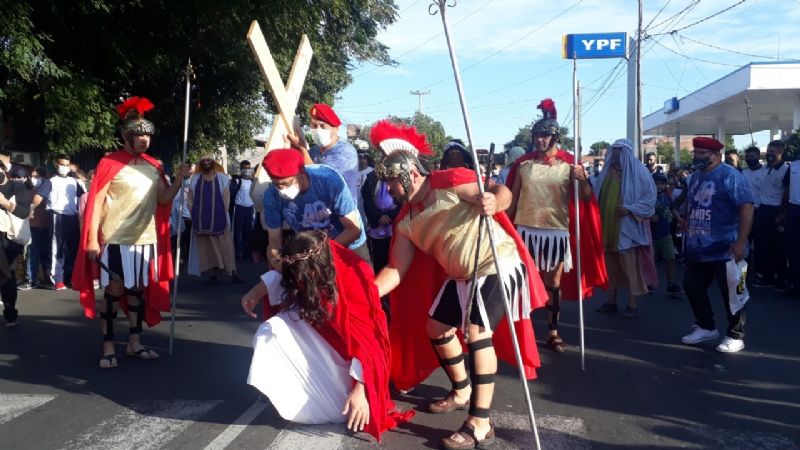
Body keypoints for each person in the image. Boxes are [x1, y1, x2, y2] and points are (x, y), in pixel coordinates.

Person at [371, 121, 547, 449]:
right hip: (461, 275)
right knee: (436, 327)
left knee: (477, 333)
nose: (389, 190)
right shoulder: (406, 221)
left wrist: (495, 201)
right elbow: (395, 270)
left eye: (392, 181)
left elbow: (500, 190)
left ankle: (480, 424)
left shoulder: (448, 182)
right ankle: (462, 389)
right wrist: (366, 293)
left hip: (495, 262)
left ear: (411, 174)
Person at [242, 230, 413, 441]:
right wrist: (255, 292)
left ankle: (336, 395)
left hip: (349, 358)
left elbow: (370, 343)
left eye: (300, 277)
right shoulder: (310, 262)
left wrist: (361, 390)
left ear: (312, 271)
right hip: (323, 336)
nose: (297, 282)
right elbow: (282, 275)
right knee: (270, 332)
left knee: (340, 410)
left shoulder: (352, 281)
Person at [72, 96, 189, 368]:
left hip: (145, 240)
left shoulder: (154, 165)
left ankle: (135, 343)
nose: (144, 139)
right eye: (139, 135)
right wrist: (92, 240)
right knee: (113, 293)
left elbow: (163, 199)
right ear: (126, 136)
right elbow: (96, 203)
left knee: (137, 292)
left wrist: (179, 180)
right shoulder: (109, 163)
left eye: (148, 135)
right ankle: (108, 346)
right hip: (116, 239)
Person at [505, 98, 607, 352]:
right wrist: (501, 224)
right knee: (522, 282)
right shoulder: (524, 164)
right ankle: (523, 330)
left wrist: (583, 180)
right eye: (537, 136)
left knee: (554, 284)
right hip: (525, 230)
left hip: (555, 232)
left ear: (555, 137)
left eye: (545, 136)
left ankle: (553, 332)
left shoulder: (569, 164)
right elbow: (512, 200)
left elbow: (586, 198)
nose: (540, 140)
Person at [679, 137, 754, 353]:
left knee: (732, 294)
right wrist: (686, 220)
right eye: (695, 152)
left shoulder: (730, 176)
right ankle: (706, 326)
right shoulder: (694, 177)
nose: (697, 157)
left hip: (726, 248)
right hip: (698, 248)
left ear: (716, 155)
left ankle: (735, 335)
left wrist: (740, 242)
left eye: (702, 153)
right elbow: (692, 203)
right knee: (692, 286)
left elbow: (747, 207)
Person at [262, 148, 369, 264]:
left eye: (286, 183)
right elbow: (274, 242)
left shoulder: (328, 180)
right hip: (311, 250)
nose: (282, 190)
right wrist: (280, 267)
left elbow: (353, 230)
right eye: (276, 185)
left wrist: (320, 255)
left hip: (348, 243)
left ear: (302, 172)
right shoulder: (272, 196)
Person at [594, 139, 657, 318]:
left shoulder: (639, 172)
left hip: (627, 229)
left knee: (630, 268)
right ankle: (611, 301)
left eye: (619, 151)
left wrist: (629, 209)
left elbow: (649, 200)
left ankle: (632, 303)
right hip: (607, 227)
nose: (615, 155)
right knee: (611, 268)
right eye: (614, 151)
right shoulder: (607, 172)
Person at [287, 103, 360, 204]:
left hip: (341, 211)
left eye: (322, 126)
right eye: (314, 126)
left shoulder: (345, 151)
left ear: (335, 129)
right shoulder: (314, 151)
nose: (317, 130)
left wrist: (302, 149)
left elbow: (319, 181)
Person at [187, 155, 242, 283]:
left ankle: (233, 272)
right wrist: (195, 215)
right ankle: (212, 274)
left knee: (226, 247)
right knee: (207, 250)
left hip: (220, 220)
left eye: (209, 160)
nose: (206, 162)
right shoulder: (195, 179)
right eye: (203, 160)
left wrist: (221, 215)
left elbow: (226, 198)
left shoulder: (222, 178)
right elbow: (190, 199)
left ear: (213, 163)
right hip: (201, 222)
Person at [38, 154, 83, 290]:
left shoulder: (74, 181)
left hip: (73, 217)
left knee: (73, 249)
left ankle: (72, 278)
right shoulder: (51, 181)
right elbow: (39, 196)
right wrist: (31, 208)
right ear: (56, 165)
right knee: (57, 248)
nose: (64, 167)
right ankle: (57, 279)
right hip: (57, 216)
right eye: (62, 164)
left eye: (67, 165)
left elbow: (83, 197)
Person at [751, 140, 789, 290]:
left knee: (777, 248)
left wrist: (781, 214)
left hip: (776, 211)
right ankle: (767, 277)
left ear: (780, 152)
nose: (769, 154)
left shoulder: (786, 169)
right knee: (763, 246)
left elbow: (786, 193)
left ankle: (781, 280)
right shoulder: (767, 168)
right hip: (763, 210)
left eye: (772, 152)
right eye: (768, 151)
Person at [0, 163, 35, 327]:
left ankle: (10, 312)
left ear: (4, 170)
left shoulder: (17, 187)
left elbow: (24, 212)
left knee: (7, 275)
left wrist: (5, 203)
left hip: (10, 238)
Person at [650, 172, 683, 295]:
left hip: (665, 233)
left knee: (670, 258)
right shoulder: (647, 197)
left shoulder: (666, 197)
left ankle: (671, 284)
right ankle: (649, 283)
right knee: (651, 261)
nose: (658, 186)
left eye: (661, 183)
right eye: (656, 183)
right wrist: (649, 217)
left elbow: (672, 209)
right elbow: (640, 212)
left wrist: (679, 219)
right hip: (651, 235)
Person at [23, 167, 53, 290]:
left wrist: (30, 208)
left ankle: (33, 279)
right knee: (36, 252)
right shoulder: (31, 189)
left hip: (42, 224)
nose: (33, 178)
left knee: (37, 252)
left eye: (36, 176)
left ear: (43, 177)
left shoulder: (45, 187)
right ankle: (37, 278)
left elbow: (37, 201)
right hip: (33, 225)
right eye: (32, 176)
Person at [230, 160, 255, 261]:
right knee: (237, 231)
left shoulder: (253, 182)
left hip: (249, 209)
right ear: (241, 169)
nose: (247, 170)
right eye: (245, 168)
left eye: (249, 168)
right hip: (239, 209)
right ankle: (237, 252)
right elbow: (232, 194)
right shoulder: (236, 181)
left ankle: (246, 252)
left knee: (248, 231)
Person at [785, 157, 800, 296]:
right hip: (794, 209)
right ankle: (795, 283)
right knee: (793, 249)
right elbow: (786, 189)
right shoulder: (793, 166)